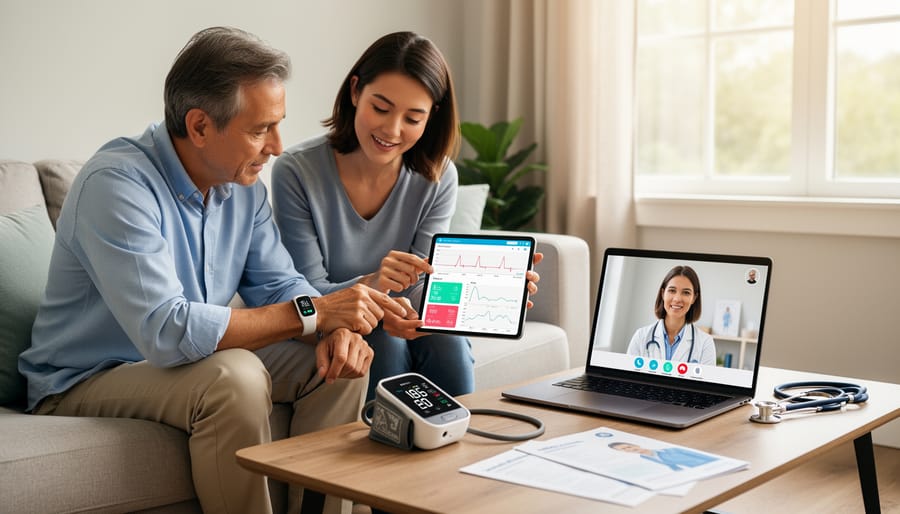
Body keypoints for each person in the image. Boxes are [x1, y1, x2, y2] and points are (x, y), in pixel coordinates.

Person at [18, 26, 407, 514]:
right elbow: (167, 329)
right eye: (261, 129)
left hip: (183, 364)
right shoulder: (116, 185)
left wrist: (333, 328)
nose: (277, 147)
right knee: (235, 376)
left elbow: (280, 285)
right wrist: (317, 312)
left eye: (278, 125)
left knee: (343, 362)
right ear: (200, 126)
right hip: (87, 377)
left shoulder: (243, 188)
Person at [271, 31, 541, 401]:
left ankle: (456, 443)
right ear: (355, 92)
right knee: (385, 341)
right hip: (333, 320)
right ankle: (386, 450)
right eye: (380, 108)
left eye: (413, 118)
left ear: (432, 117)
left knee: (446, 340)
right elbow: (307, 292)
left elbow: (426, 280)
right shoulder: (297, 171)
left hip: (396, 312)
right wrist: (377, 284)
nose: (391, 130)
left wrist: (492, 287)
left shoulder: (438, 176)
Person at [625, 265, 716, 365]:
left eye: (686, 293)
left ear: (694, 298)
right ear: (663, 293)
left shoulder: (705, 343)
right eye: (672, 290)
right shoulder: (641, 336)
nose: (677, 299)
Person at [608, 442, 718, 471]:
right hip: (695, 472)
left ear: (635, 445)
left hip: (708, 466)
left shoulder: (671, 450)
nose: (629, 450)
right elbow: (670, 465)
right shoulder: (644, 458)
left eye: (627, 447)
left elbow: (699, 455)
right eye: (624, 450)